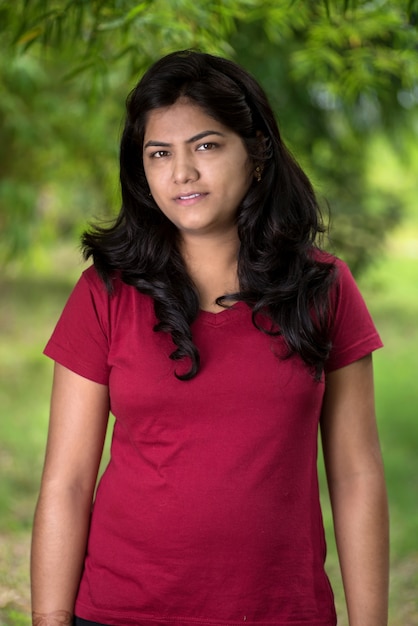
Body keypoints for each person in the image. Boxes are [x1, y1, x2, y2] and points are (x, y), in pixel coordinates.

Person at [31, 50, 389, 626]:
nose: (182, 174)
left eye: (206, 145)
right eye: (159, 154)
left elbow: (356, 476)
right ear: (142, 170)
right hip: (121, 612)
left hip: (281, 613)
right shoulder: (103, 293)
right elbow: (67, 482)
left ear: (256, 151)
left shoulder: (323, 287)